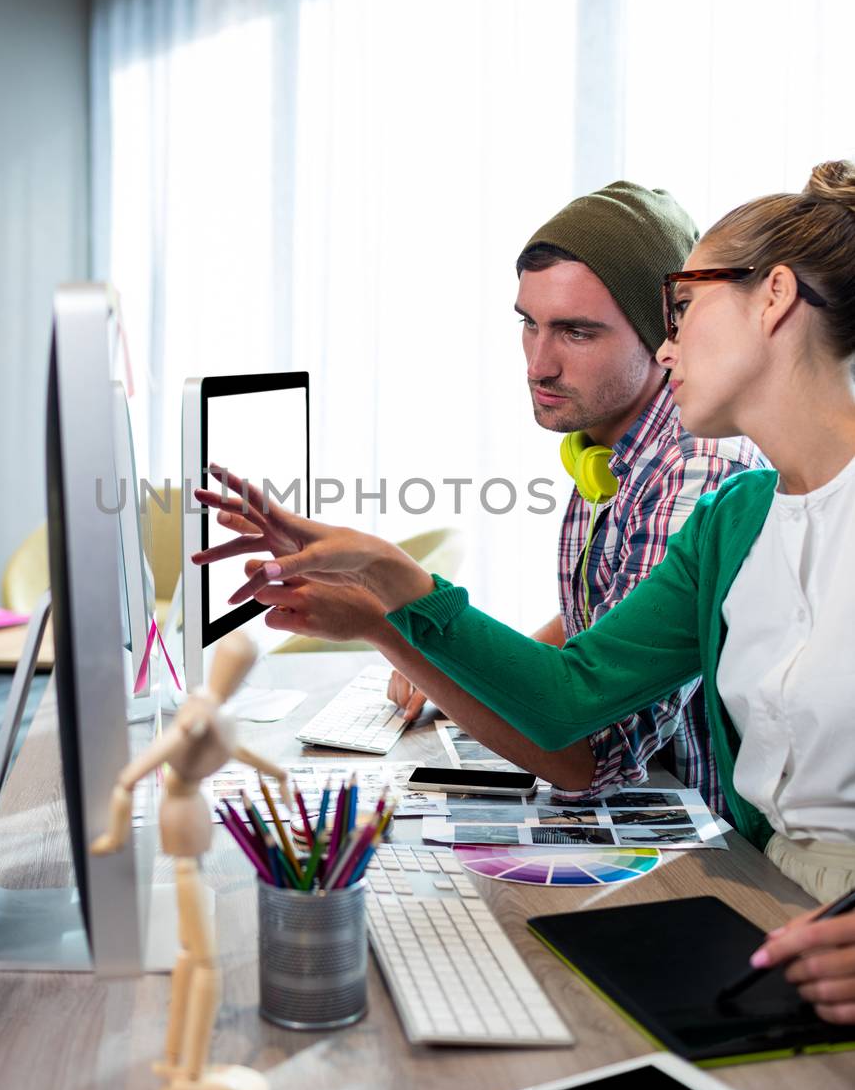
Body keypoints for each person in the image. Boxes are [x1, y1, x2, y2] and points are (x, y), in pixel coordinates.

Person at [194, 160, 855, 1023]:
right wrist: (395, 585)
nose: (666, 345)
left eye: (683, 310)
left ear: (771, 299)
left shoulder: (705, 485)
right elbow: (570, 697)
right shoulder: (733, 520)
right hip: (770, 913)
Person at [214, 183, 761, 813]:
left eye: (577, 333)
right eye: (530, 325)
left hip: (690, 846)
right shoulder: (608, 444)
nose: (538, 364)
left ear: (664, 334)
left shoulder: (695, 467)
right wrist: (459, 671)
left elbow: (587, 756)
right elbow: (605, 623)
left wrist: (390, 617)